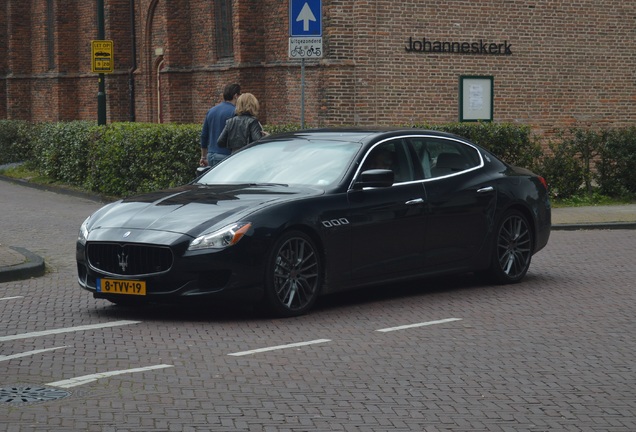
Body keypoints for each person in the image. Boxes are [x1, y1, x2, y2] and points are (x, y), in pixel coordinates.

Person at [200, 83, 241, 167]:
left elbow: (204, 135)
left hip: (211, 154)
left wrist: (203, 156)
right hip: (226, 155)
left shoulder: (211, 111)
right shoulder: (235, 112)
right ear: (236, 96)